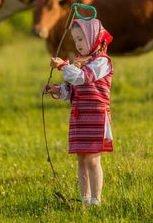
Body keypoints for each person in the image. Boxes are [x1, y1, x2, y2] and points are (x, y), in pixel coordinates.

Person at [45, 17, 114, 206]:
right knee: (81, 160)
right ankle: (85, 201)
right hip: (80, 116)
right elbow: (72, 91)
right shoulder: (79, 62)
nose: (78, 44)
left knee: (92, 159)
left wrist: (62, 66)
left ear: (94, 38)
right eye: (76, 40)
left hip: (95, 116)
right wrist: (58, 90)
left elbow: (84, 78)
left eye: (82, 39)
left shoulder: (102, 62)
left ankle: (96, 201)